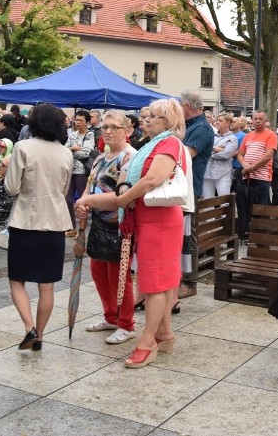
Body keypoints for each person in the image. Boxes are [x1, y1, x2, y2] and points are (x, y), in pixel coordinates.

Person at [79, 98, 188, 368]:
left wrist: (121, 199)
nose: (147, 119)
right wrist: (91, 201)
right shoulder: (150, 144)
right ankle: (163, 333)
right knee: (158, 282)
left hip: (158, 220)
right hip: (148, 218)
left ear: (169, 122)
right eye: (147, 115)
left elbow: (152, 180)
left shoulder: (169, 142)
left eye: (154, 116)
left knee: (153, 285)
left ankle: (148, 341)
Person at [4, 103, 73, 352]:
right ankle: (40, 336)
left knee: (17, 279)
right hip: (54, 223)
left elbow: (12, 188)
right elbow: (64, 191)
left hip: (25, 220)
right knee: (47, 285)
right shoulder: (66, 152)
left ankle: (29, 328)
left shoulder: (23, 147)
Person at [76, 110, 138, 345]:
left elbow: (121, 197)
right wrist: (83, 205)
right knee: (99, 273)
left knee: (120, 277)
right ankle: (110, 316)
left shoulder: (129, 158)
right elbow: (90, 187)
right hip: (99, 224)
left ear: (127, 130)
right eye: (105, 127)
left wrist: (86, 202)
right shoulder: (102, 158)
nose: (109, 131)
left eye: (114, 127)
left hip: (120, 225)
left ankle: (126, 323)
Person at [180, 90, 214, 298]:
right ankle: (181, 277)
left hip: (189, 189)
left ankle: (190, 283)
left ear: (187, 106)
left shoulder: (202, 128)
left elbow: (185, 156)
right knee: (182, 235)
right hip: (183, 187)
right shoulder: (191, 125)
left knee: (188, 235)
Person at [234, 110, 278, 239]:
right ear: (252, 120)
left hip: (262, 177)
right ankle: (247, 232)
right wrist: (245, 165)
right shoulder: (248, 136)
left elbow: (268, 155)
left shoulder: (271, 135)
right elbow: (240, 154)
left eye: (260, 119)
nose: (257, 121)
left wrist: (251, 167)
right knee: (247, 206)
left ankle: (261, 235)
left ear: (265, 121)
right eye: (255, 118)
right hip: (248, 177)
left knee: (261, 206)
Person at [64, 110, 95, 238]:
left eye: (80, 120)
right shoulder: (72, 135)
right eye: (76, 120)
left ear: (87, 122)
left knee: (83, 201)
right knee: (68, 199)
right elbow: (64, 149)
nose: (77, 122)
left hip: (82, 171)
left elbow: (86, 153)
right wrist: (73, 149)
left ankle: (82, 229)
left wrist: (73, 151)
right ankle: (72, 227)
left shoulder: (90, 135)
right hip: (71, 170)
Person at [203, 112, 239, 197]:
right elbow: (204, 149)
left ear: (228, 123)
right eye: (217, 120)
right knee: (207, 202)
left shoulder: (233, 138)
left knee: (224, 201)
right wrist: (215, 149)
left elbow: (226, 155)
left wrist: (210, 154)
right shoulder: (211, 135)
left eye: (220, 120)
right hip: (207, 172)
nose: (217, 122)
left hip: (223, 173)